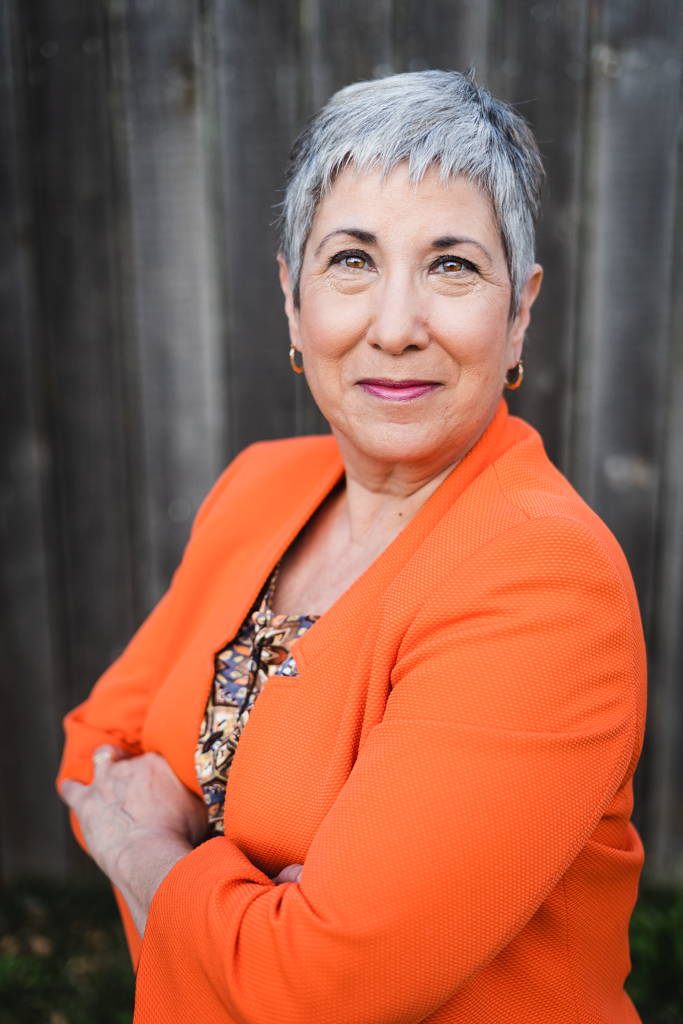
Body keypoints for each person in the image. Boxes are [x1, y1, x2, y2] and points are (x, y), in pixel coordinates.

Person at [58, 70, 646, 1024]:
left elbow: (314, 988)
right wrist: (256, 908)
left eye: (451, 266)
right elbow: (95, 751)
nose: (396, 327)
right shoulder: (260, 486)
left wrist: (148, 852)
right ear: (293, 302)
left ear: (518, 315)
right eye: (351, 261)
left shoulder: (545, 580)